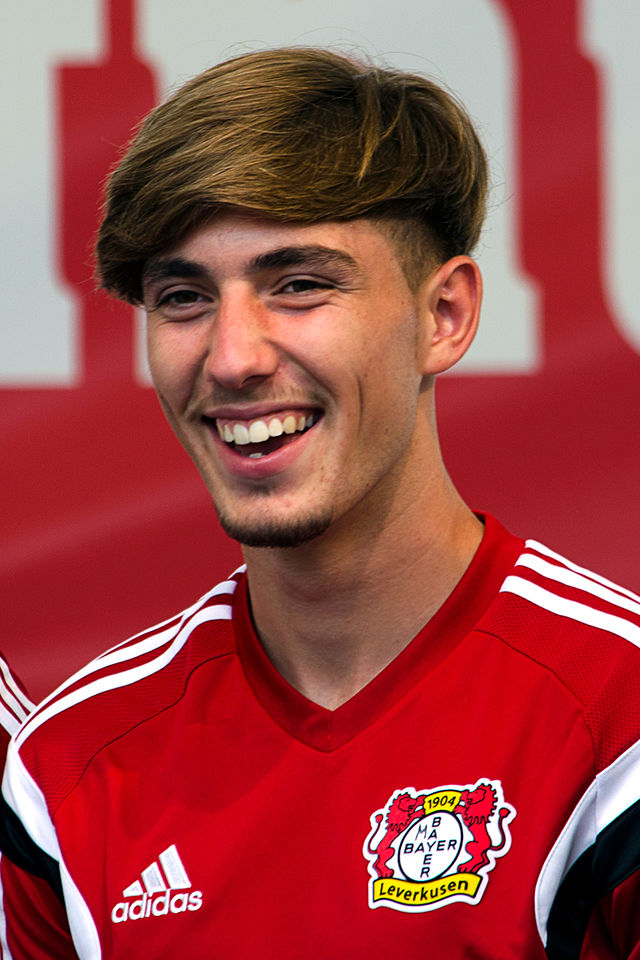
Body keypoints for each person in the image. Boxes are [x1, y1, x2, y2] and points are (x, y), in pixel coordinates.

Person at [1, 46, 640, 960]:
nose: (231, 358)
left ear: (444, 316)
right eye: (182, 298)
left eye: (299, 285)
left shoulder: (619, 726)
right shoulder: (69, 767)